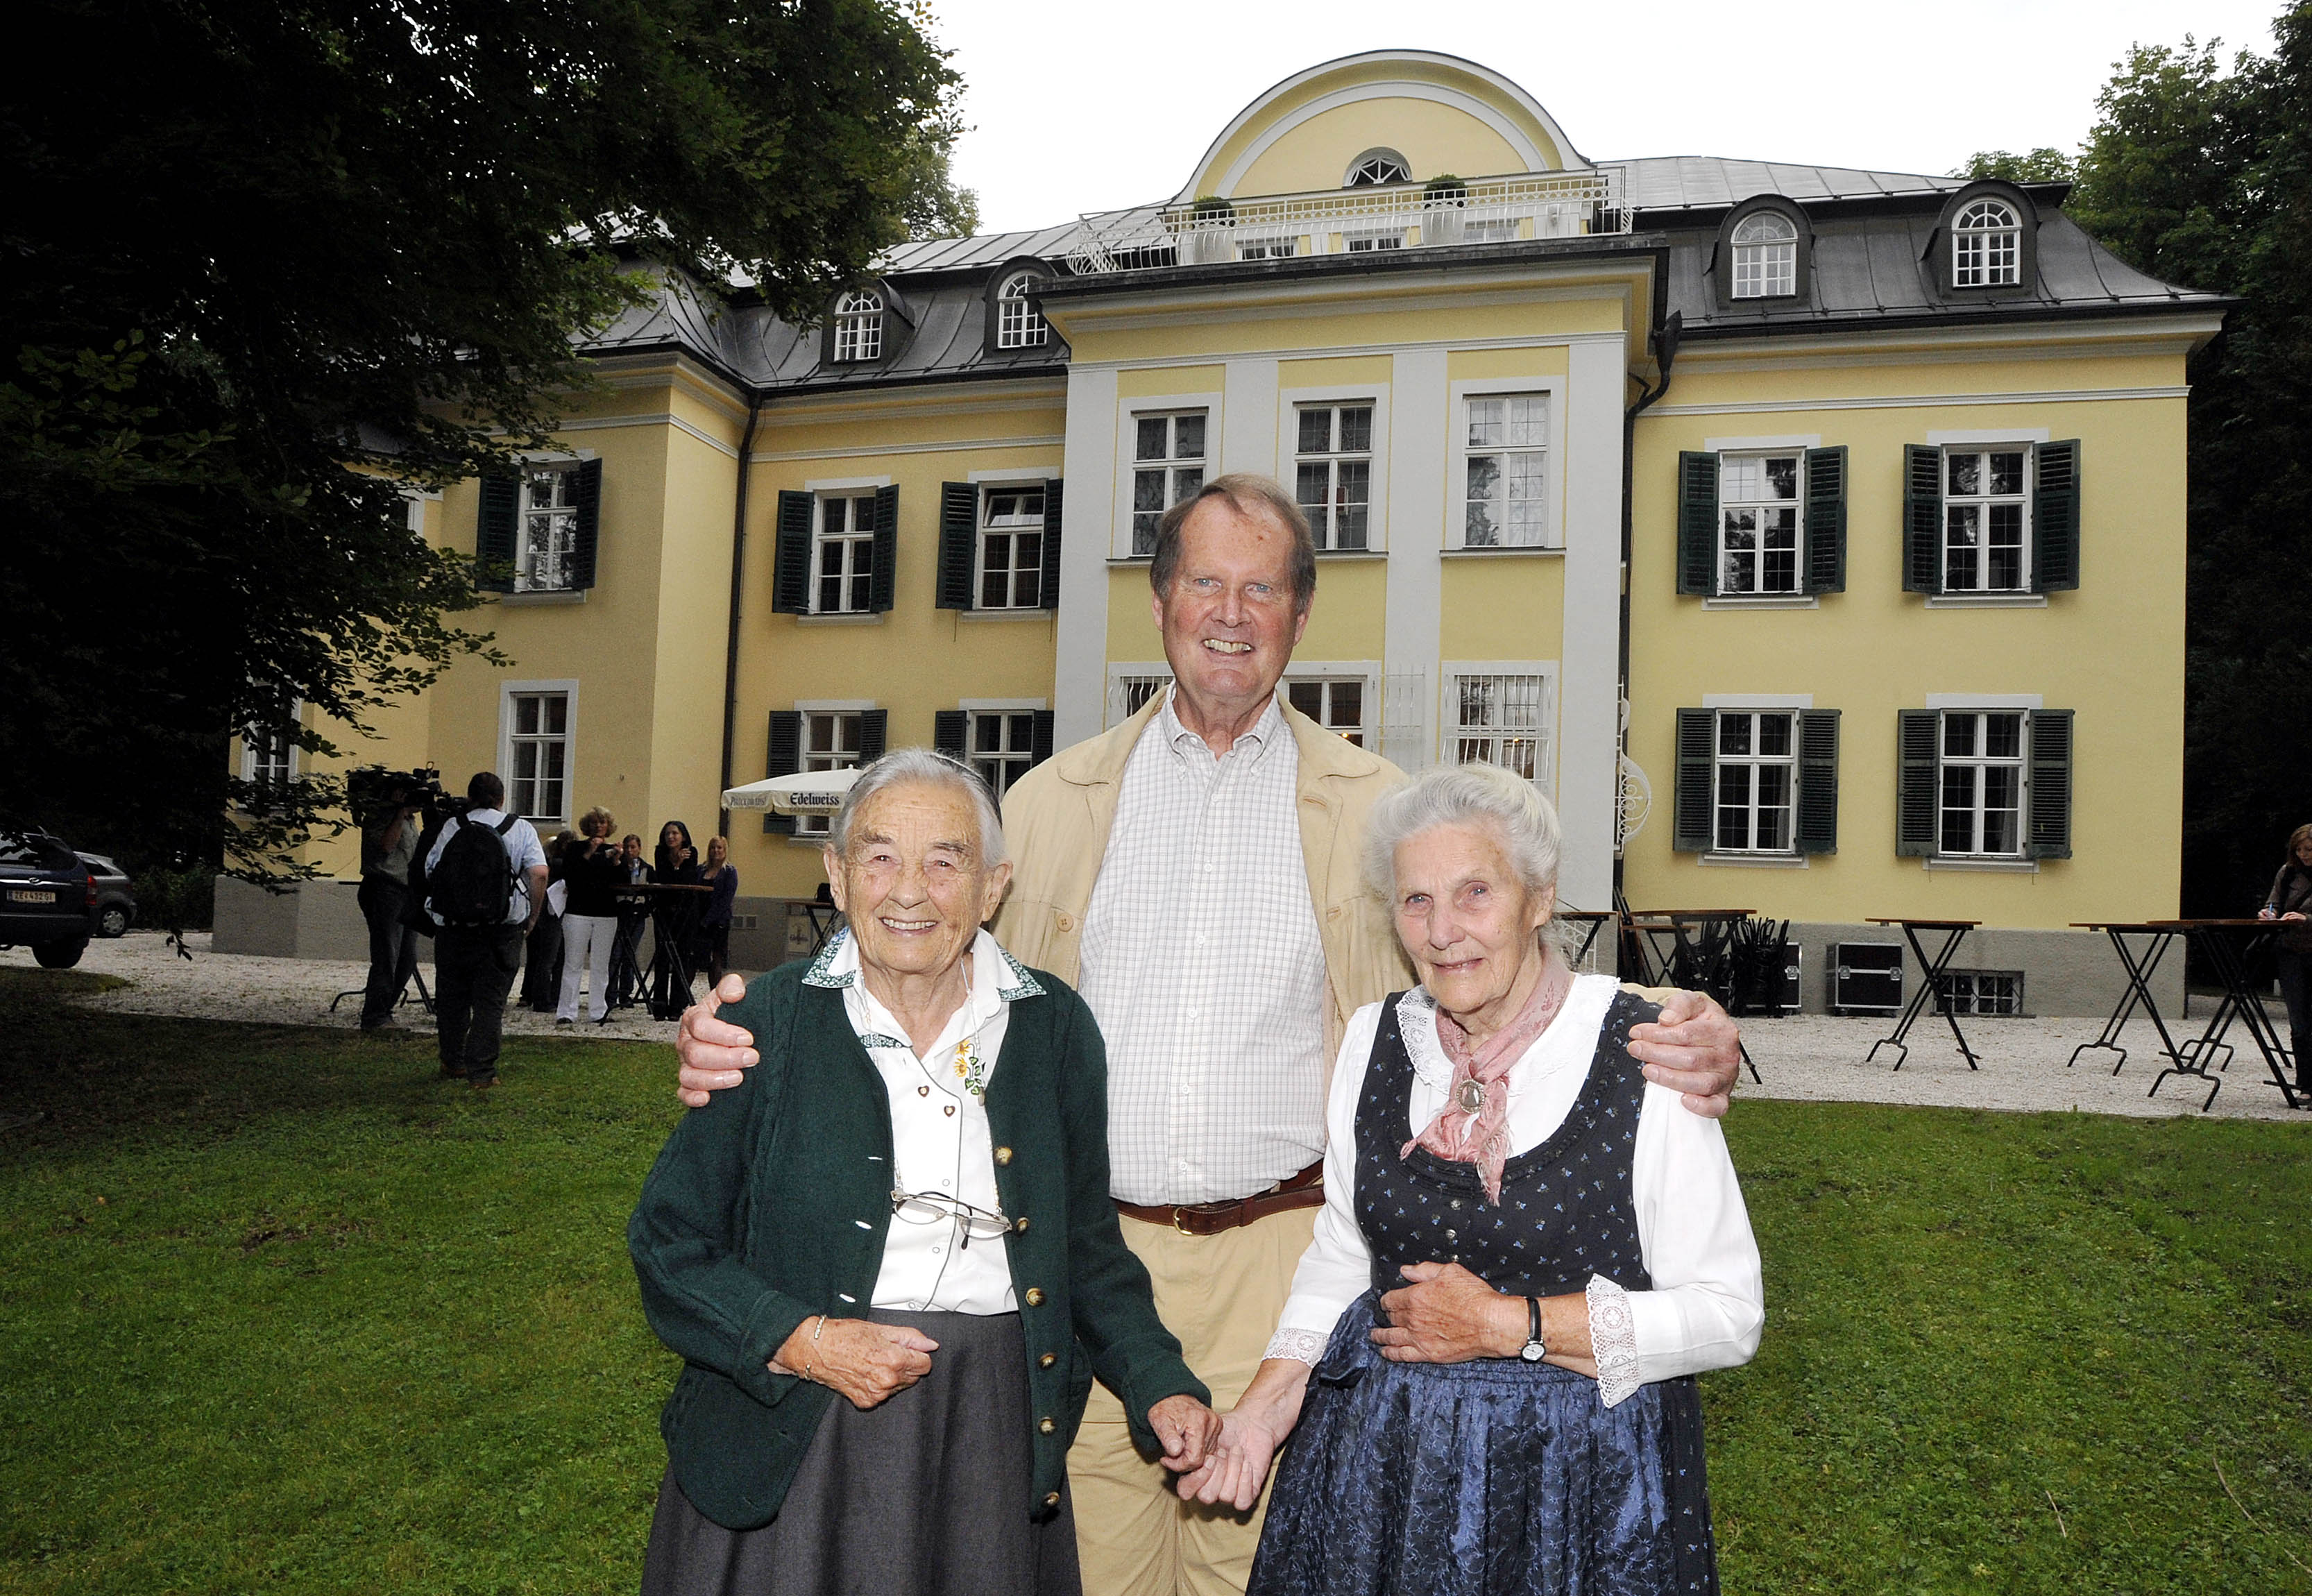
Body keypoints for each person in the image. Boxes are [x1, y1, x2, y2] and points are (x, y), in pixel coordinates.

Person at [675, 474, 1746, 1596]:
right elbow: (924, 952)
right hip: (1085, 1267)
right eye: (1204, 584)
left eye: (1261, 588)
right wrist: (754, 1021)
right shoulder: (1050, 803)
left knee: (1258, 1566)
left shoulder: (1378, 808)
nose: (1230, 614)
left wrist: (1664, 1029)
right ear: (1158, 603)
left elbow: (1481, 977)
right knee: (1087, 1567)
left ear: (1298, 614)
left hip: (1285, 1262)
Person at [629, 749, 1223, 1596]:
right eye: (878, 857)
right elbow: (668, 1242)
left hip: (987, 1428)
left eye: (945, 861)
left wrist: (1160, 1383)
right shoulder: (763, 1021)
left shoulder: (1054, 1028)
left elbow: (1085, 1249)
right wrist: (803, 1342)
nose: (908, 890)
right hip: (802, 1424)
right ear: (836, 874)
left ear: (993, 886)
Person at [1176, 763, 1762, 1594]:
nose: (1442, 929)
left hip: (1573, 1486)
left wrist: (1505, 1323)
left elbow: (1729, 1314)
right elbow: (1345, 1251)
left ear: (1539, 898)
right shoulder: (1375, 1037)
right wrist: (1268, 1407)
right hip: (1381, 1466)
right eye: (1416, 899)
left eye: (1474, 892)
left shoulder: (1647, 1051)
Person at [424, 772, 547, 1090]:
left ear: (470, 796)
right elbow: (539, 874)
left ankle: (452, 1061)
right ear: (502, 798)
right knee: (489, 1002)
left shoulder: (453, 826)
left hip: (454, 927)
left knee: (452, 998)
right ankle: (482, 1072)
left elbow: (431, 869)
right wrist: (531, 918)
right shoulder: (519, 827)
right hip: (501, 928)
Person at [356, 776, 424, 1030]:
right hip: (384, 889)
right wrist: (398, 813)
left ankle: (385, 1010)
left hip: (406, 892)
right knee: (387, 956)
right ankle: (375, 1016)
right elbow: (386, 846)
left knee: (407, 959)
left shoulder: (411, 820)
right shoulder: (380, 815)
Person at [558, 807, 626, 1026]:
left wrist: (617, 861)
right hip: (578, 910)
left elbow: (623, 881)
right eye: (595, 822)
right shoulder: (576, 848)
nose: (598, 826)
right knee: (573, 962)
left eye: (602, 822)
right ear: (588, 825)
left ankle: (598, 1010)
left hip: (606, 912)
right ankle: (567, 1011)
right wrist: (588, 853)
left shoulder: (613, 850)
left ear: (608, 826)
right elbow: (570, 875)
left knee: (601, 964)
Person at [2258, 822, 2312, 1092]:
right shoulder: (2287, 873)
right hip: (2291, 950)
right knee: (2299, 1022)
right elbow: (2274, 902)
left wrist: (2306, 919)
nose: (2304, 855)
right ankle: (2305, 1085)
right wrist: (2268, 914)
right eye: (2299, 850)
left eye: (2309, 850)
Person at [652, 820, 705, 1011]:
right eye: (668, 834)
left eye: (675, 833)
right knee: (663, 955)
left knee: (683, 956)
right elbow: (664, 878)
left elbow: (688, 879)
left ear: (683, 836)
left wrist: (680, 864)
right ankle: (659, 1002)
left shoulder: (692, 852)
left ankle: (677, 1003)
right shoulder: (660, 852)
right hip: (665, 909)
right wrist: (676, 862)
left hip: (685, 910)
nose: (671, 837)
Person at [520, 830, 570, 1012]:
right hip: (553, 912)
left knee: (547, 958)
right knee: (550, 958)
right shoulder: (559, 865)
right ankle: (545, 999)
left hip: (549, 912)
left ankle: (541, 997)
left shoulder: (550, 862)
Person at [699, 834, 738, 988]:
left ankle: (714, 994)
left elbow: (726, 900)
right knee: (694, 959)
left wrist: (708, 919)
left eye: (719, 847)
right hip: (699, 919)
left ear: (725, 850)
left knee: (716, 959)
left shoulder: (729, 871)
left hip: (719, 922)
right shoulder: (701, 870)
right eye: (713, 847)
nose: (716, 850)